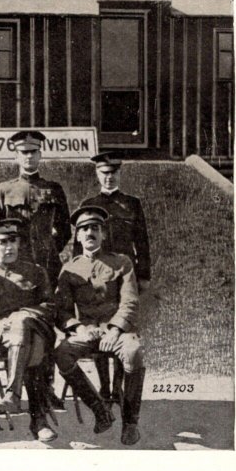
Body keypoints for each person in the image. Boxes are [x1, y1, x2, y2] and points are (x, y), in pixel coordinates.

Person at [0, 130, 71, 409]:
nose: (29, 157)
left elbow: (65, 230)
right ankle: (17, 387)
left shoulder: (53, 188)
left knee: (45, 327)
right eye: (24, 152)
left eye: (33, 152)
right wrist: (6, 263)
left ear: (40, 155)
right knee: (19, 325)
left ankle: (46, 389)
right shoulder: (5, 189)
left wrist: (48, 250)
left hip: (46, 266)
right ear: (16, 155)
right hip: (16, 269)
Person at [54, 206, 146, 445]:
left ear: (103, 234)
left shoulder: (121, 263)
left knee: (133, 352)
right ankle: (100, 410)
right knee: (62, 353)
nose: (89, 233)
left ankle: (130, 422)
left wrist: (115, 329)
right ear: (78, 236)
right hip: (87, 332)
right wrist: (78, 329)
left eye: (95, 228)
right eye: (84, 229)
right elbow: (62, 310)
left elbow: (130, 302)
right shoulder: (69, 268)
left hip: (117, 332)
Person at [76, 151, 151, 404]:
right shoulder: (89, 204)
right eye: (104, 173)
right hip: (97, 276)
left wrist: (144, 276)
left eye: (113, 173)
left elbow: (142, 242)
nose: (109, 178)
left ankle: (118, 386)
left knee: (121, 326)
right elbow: (80, 246)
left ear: (119, 173)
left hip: (124, 274)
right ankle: (104, 386)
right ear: (97, 174)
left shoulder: (131, 204)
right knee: (98, 323)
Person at [0, 218, 58, 441]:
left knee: (26, 329)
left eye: (13, 241)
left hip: (37, 328)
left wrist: (23, 315)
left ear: (20, 243)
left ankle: (12, 393)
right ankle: (38, 421)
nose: (9, 247)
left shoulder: (36, 272)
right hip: (0, 341)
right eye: (3, 242)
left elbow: (50, 307)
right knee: (33, 348)